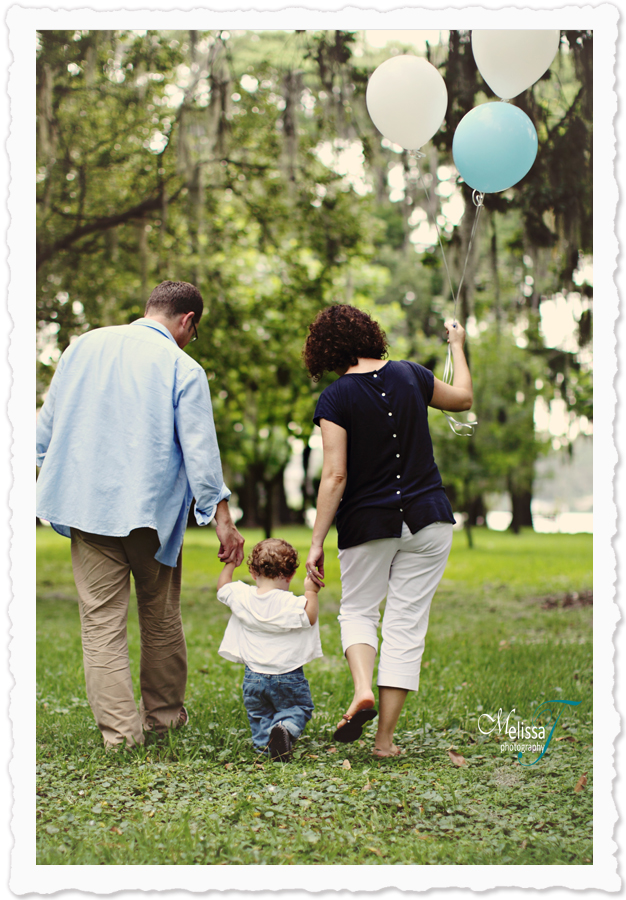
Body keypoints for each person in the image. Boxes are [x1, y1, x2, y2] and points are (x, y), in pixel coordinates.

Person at [36, 280, 244, 750]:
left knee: (101, 622)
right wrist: (222, 519)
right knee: (161, 616)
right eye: (195, 330)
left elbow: (43, 430)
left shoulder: (81, 347)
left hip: (86, 508)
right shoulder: (182, 366)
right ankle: (164, 719)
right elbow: (200, 453)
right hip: (151, 515)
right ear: (187, 321)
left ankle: (120, 737)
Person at [303, 304, 473, 758]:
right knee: (406, 625)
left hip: (366, 522)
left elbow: (335, 476)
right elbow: (463, 398)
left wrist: (317, 541)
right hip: (429, 519)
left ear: (325, 348)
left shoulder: (336, 398)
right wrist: (457, 346)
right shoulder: (412, 375)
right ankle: (384, 742)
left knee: (359, 611)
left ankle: (363, 690)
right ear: (368, 333)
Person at [217, 539, 323, 761]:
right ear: (291, 574)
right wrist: (310, 592)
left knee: (259, 715)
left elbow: (223, 587)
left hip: (253, 675)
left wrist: (230, 565)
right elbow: (310, 617)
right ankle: (285, 729)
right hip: (288, 675)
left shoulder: (241, 596)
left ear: (253, 571)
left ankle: (264, 749)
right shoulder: (291, 603)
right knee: (298, 708)